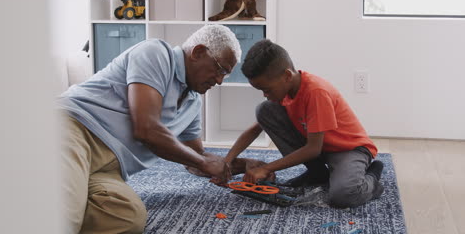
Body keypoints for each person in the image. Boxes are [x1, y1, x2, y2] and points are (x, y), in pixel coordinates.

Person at [59, 25, 258, 233]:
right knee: (66, 214)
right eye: (220, 69)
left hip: (109, 169)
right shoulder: (156, 54)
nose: (219, 81)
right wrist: (202, 161)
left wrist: (243, 165)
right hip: (76, 129)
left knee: (128, 217)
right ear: (198, 52)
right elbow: (147, 129)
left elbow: (195, 158)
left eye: (225, 75)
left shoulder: (192, 102)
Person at [213, 39, 384, 208]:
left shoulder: (316, 92)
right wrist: (226, 161)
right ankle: (319, 174)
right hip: (322, 148)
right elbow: (254, 130)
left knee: (343, 195)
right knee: (264, 110)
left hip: (348, 149)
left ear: (287, 75)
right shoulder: (286, 91)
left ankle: (372, 178)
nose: (264, 94)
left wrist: (266, 168)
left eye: (267, 89)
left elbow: (313, 149)